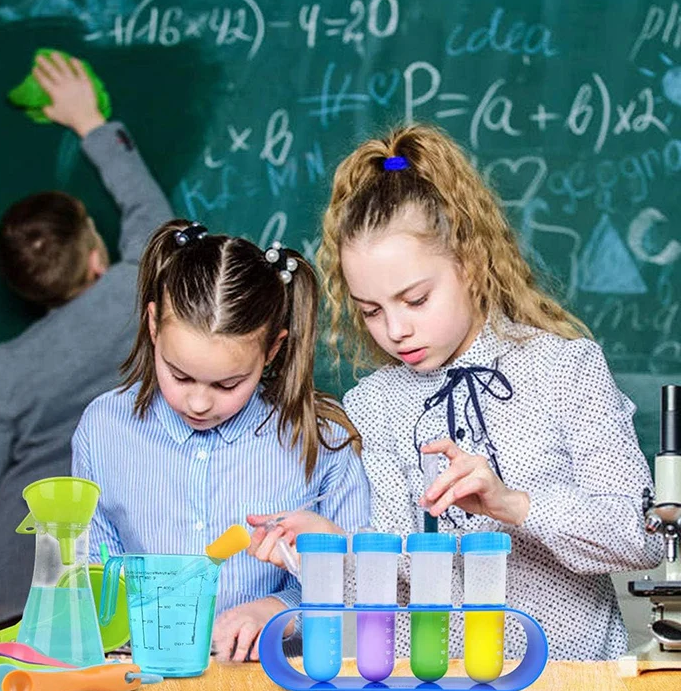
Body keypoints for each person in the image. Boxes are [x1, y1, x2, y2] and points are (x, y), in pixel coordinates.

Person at [248, 123, 663, 661]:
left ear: (469, 263)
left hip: (566, 690)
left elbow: (642, 538)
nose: (395, 330)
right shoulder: (374, 404)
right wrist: (332, 548)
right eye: (371, 310)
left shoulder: (564, 367)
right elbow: (398, 581)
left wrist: (511, 504)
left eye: (415, 299)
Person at [0, 52, 174, 650]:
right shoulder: (138, 295)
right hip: (99, 591)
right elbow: (154, 219)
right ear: (97, 256)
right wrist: (89, 123)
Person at [71, 220, 370, 662]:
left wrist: (281, 609)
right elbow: (94, 570)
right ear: (154, 326)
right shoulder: (104, 428)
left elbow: (364, 592)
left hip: (273, 688)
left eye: (228, 384)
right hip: (140, 682)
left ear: (271, 351)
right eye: (179, 374)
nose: (198, 402)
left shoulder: (321, 442)